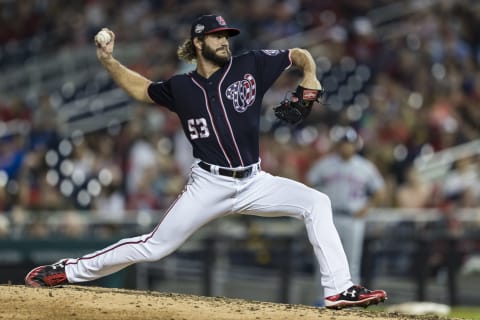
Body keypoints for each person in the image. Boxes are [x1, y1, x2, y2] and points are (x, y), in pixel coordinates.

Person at [24, 14, 386, 309]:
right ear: (198, 43)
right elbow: (139, 88)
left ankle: (339, 289)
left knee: (316, 202)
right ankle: (68, 271)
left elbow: (298, 54)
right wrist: (108, 61)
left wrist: (310, 75)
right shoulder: (181, 88)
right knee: (154, 246)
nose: (224, 41)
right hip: (209, 183)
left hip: (255, 181)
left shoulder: (250, 65)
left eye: (226, 35)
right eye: (216, 36)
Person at [307, 126, 385, 285]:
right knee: (323, 260)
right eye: (343, 143)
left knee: (351, 262)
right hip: (329, 217)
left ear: (356, 145)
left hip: (353, 218)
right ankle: (321, 301)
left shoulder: (365, 167)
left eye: (349, 143)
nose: (346, 146)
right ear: (338, 145)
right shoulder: (325, 164)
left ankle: (350, 301)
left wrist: (367, 207)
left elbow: (380, 191)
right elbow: (309, 184)